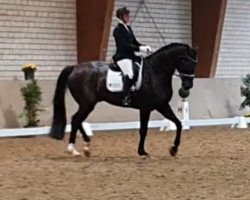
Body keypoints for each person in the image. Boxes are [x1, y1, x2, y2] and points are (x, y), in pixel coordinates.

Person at [113, 7, 152, 106]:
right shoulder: (117, 30)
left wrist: (144, 46)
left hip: (131, 56)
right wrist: (139, 49)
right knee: (130, 74)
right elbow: (124, 46)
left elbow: (135, 42)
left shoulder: (129, 29)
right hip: (122, 57)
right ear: (121, 17)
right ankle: (125, 96)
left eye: (128, 15)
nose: (128, 17)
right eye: (126, 15)